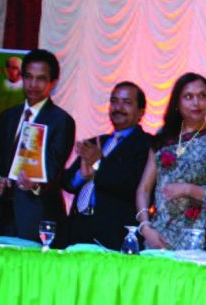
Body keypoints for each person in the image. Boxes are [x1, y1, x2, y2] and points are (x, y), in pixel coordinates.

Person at [0, 49, 76, 246]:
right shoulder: (8, 117)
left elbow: (53, 170)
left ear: (53, 83)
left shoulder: (61, 121)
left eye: (41, 79)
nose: (33, 85)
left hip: (38, 218)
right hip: (2, 217)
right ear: (21, 78)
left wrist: (34, 184)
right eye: (28, 77)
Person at [136, 73, 206, 250]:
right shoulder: (163, 139)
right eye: (188, 97)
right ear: (177, 103)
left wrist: (188, 189)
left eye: (202, 96)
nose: (196, 102)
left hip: (203, 235)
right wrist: (146, 227)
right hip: (161, 233)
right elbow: (144, 189)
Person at [62, 82, 152, 248]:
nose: (118, 107)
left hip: (113, 236)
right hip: (77, 230)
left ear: (141, 112)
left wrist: (99, 164)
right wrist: (82, 175)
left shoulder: (148, 145)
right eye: (114, 101)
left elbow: (133, 185)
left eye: (127, 102)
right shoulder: (96, 142)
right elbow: (67, 183)